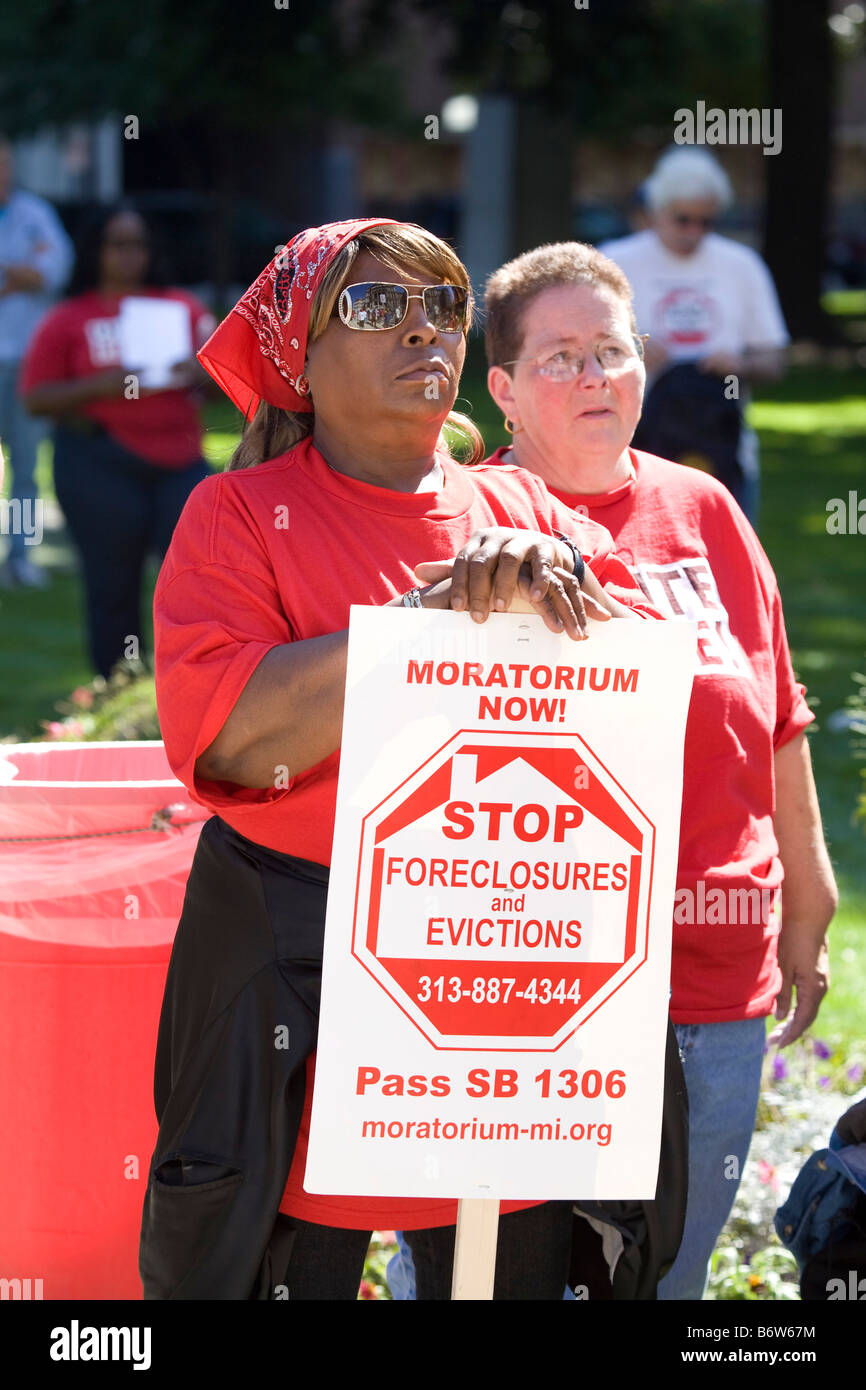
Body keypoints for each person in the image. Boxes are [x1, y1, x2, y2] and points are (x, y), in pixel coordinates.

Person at [138, 217, 663, 1302]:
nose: (424, 328)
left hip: (489, 975)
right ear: (299, 354)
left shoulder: (521, 506)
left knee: (505, 1270)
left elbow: (633, 685)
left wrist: (555, 569)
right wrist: (423, 619)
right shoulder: (235, 515)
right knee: (285, 1267)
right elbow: (231, 735)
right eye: (377, 306)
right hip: (303, 980)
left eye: (445, 305)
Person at [480, 239, 838, 1299]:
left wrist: (806, 893)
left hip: (713, 969)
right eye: (560, 358)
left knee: (670, 1282)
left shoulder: (704, 510)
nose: (594, 376)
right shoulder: (474, 524)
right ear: (501, 390)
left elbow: (774, 713)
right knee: (502, 1278)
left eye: (612, 348)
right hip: (537, 980)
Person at [19, 204, 216, 677]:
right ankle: (115, 685)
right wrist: (100, 386)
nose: (131, 256)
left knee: (199, 581)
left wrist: (201, 371)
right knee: (111, 585)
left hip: (180, 461)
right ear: (96, 251)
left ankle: (193, 681)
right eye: (119, 244)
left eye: (139, 244)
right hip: (99, 461)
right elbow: (35, 398)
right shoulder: (69, 318)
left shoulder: (184, 309)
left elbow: (228, 382)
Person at [600, 148, 789, 525]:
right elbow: (573, 350)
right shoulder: (614, 262)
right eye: (683, 219)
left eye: (706, 222)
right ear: (655, 210)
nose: (694, 232)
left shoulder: (742, 266)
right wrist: (626, 352)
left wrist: (739, 365)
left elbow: (775, 362)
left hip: (723, 447)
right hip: (628, 448)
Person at [0, 134, 73, 587]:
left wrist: (15, 273)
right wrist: (19, 271)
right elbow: (30, 273)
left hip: (24, 362)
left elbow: (53, 272)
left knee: (26, 468)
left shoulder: (35, 216)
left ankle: (20, 557)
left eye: (5, 163)